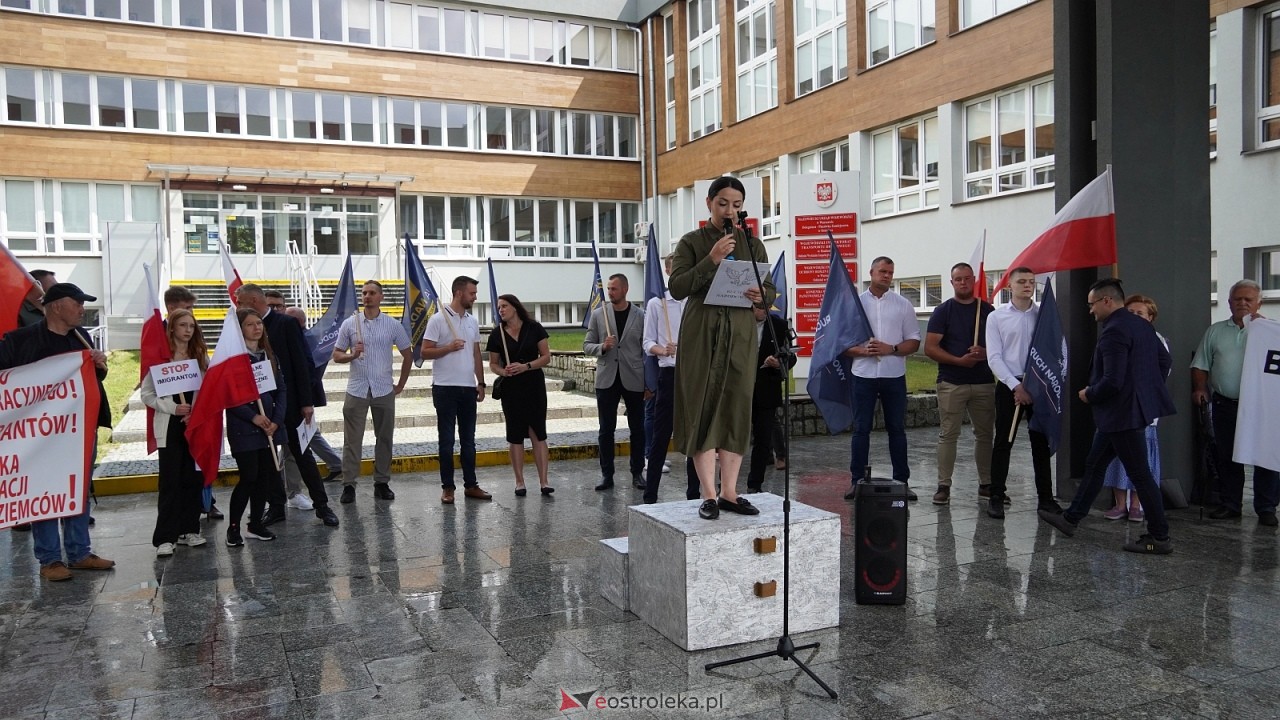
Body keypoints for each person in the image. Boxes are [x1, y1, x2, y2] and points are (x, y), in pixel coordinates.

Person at [1039, 279, 1176, 554]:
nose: (1090, 311)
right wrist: (1143, 392)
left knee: (1140, 475)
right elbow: (1164, 362)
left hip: (1121, 415)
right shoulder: (1141, 325)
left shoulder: (1114, 331)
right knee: (1095, 464)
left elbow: (1113, 380)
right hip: (1125, 413)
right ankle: (1071, 519)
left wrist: (1090, 393)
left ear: (1106, 301)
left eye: (1091, 305)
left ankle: (1159, 537)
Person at [669, 176, 772, 520]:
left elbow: (769, 288)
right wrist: (711, 259)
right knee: (702, 406)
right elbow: (678, 287)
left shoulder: (753, 244)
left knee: (735, 407)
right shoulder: (691, 242)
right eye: (723, 203)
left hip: (740, 335)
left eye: (737, 205)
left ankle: (730, 491)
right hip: (702, 333)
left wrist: (763, 295)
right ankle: (708, 493)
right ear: (710, 204)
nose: (730, 211)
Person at [0, 282, 116, 580]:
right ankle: (50, 559)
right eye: (76, 303)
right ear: (55, 307)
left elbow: (91, 381)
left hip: (79, 429)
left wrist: (99, 367)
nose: (82, 308)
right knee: (44, 488)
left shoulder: (82, 338)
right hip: (38, 433)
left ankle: (80, 552)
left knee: (77, 486)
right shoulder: (18, 340)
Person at [235, 284, 338, 527]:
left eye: (240, 302)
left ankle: (322, 507)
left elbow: (303, 364)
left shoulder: (286, 324)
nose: (238, 306)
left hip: (290, 405)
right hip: (260, 407)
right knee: (270, 461)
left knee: (303, 457)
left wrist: (306, 402)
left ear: (252, 300)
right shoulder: (240, 329)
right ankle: (277, 506)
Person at [1191, 279, 1279, 526]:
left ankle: (1266, 507)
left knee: (1265, 455)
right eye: (1237, 299)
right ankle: (1230, 504)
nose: (1242, 303)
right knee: (1227, 455)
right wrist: (1199, 388)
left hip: (1262, 407)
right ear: (1229, 303)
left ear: (1259, 303)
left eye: (1248, 299)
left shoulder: (1272, 332)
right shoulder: (1215, 331)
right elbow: (1200, 363)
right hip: (1226, 403)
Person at [842, 256, 922, 502]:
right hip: (863, 375)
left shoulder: (903, 304)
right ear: (871, 272)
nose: (887, 276)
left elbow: (914, 341)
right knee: (861, 430)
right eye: (882, 271)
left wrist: (892, 349)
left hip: (893, 375)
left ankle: (902, 481)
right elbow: (842, 344)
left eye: (890, 272)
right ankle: (857, 482)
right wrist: (862, 351)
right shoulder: (854, 303)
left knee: (897, 429)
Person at [985, 267, 1056, 519]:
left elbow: (1054, 351)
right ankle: (995, 496)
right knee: (1004, 441)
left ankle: (1046, 500)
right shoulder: (996, 317)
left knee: (1040, 444)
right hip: (1010, 385)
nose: (1027, 286)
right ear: (1009, 286)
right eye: (1021, 282)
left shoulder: (1044, 316)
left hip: (1039, 386)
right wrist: (1016, 387)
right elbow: (994, 357)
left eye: (1031, 282)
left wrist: (1038, 385)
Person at [333, 280, 413, 503]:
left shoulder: (392, 325)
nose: (367, 296)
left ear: (381, 297)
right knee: (352, 440)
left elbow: (408, 354)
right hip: (357, 388)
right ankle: (348, 484)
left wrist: (401, 384)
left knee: (384, 437)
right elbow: (336, 354)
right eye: (364, 293)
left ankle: (382, 482)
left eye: (371, 293)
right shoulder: (350, 324)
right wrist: (351, 355)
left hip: (383, 389)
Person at [924, 262, 996, 505]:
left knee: (985, 435)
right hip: (952, 382)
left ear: (974, 280)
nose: (963, 282)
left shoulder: (988, 310)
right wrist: (958, 361)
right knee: (948, 434)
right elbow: (930, 348)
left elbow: (1001, 347)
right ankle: (943, 485)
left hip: (984, 381)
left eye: (967, 278)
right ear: (951, 282)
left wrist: (984, 353)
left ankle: (986, 483)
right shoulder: (943, 311)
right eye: (958, 279)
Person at [142, 309, 209, 557]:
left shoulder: (200, 358)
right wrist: (173, 407)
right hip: (169, 426)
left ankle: (189, 529)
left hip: (194, 426)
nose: (188, 330)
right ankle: (165, 537)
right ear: (172, 328)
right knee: (170, 481)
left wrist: (197, 413)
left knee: (193, 478)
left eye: (191, 325)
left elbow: (208, 391)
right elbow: (147, 394)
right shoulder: (161, 359)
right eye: (183, 325)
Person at [422, 276, 493, 504]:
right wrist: (448, 348)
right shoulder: (438, 319)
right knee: (446, 440)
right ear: (459, 293)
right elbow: (424, 352)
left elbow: (475, 354)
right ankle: (448, 488)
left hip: (467, 388)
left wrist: (480, 383)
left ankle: (471, 485)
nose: (475, 297)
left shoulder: (472, 321)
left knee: (469, 440)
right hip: (444, 388)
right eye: (472, 293)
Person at [640, 253, 699, 503]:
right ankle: (650, 492)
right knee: (661, 434)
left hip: (694, 374)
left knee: (695, 436)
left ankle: (695, 493)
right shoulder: (657, 304)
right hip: (670, 373)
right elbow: (647, 342)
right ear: (667, 271)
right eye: (677, 269)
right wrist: (662, 349)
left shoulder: (696, 303)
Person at [224, 308, 285, 546]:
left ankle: (256, 523)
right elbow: (229, 396)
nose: (257, 327)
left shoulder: (268, 356)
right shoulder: (233, 360)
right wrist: (253, 417)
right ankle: (233, 527)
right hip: (244, 429)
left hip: (268, 428)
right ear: (240, 330)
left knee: (264, 479)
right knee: (248, 477)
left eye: (259, 323)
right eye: (250, 324)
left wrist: (276, 421)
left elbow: (281, 389)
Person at [1102, 295, 1166, 522]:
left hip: (1142, 410)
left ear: (1151, 318)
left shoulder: (1155, 340)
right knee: (1115, 458)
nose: (1134, 317)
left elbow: (1162, 369)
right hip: (1118, 409)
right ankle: (1120, 504)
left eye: (1140, 314)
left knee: (1141, 461)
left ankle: (1138, 506)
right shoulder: (1119, 334)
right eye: (1130, 313)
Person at [583, 273, 646, 492]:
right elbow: (586, 345)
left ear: (625, 289)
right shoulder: (599, 315)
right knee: (606, 429)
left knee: (638, 428)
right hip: (607, 377)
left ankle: (637, 472)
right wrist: (602, 346)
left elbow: (645, 348)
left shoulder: (640, 315)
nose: (610, 292)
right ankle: (606, 474)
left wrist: (649, 383)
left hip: (634, 377)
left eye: (614, 289)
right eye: (608, 289)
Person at [164, 284, 223, 520]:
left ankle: (206, 502)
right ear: (171, 309)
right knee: (176, 473)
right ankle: (175, 521)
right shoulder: (159, 339)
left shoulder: (196, 343)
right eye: (186, 309)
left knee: (200, 461)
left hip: (197, 412)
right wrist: (173, 408)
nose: (191, 318)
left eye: (192, 311)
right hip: (171, 415)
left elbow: (205, 375)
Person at [486, 294, 554, 496]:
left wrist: (526, 366)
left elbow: (546, 357)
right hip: (511, 388)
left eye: (505, 306)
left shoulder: (534, 328)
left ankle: (544, 481)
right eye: (499, 308)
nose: (501, 310)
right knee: (515, 434)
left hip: (533, 385)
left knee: (537, 431)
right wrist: (503, 371)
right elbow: (492, 364)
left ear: (515, 307)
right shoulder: (497, 334)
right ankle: (519, 482)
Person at [280, 307, 343, 510]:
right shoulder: (308, 338)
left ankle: (293, 491)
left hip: (299, 400)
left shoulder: (306, 339)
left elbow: (309, 371)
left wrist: (304, 399)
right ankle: (334, 464)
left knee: (298, 443)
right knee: (307, 436)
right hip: (297, 399)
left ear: (296, 322)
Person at [747, 305, 795, 492]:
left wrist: (778, 363)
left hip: (766, 390)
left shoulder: (779, 325)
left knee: (763, 439)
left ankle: (755, 485)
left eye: (766, 307)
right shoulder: (738, 322)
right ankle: (725, 486)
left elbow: (791, 357)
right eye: (759, 308)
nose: (763, 312)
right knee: (733, 441)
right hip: (739, 390)